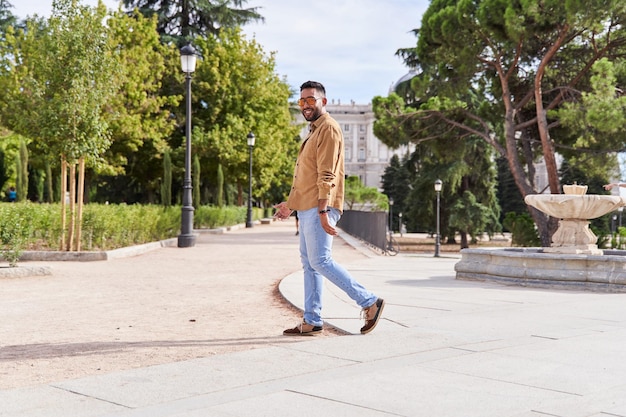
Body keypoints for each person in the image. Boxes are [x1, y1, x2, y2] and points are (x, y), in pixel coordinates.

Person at [274, 80, 384, 336]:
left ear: (324, 101)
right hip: (309, 207)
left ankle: (369, 302)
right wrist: (290, 206)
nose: (306, 105)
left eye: (311, 99)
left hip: (319, 207)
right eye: (302, 101)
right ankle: (312, 319)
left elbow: (326, 175)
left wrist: (324, 212)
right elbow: (306, 177)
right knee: (310, 264)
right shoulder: (314, 130)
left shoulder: (329, 129)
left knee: (321, 261)